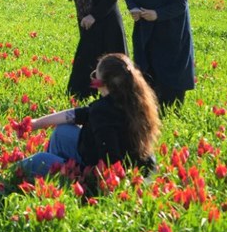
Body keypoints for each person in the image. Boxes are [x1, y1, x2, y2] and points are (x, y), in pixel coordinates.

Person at [15, 53, 160, 179]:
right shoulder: (133, 102)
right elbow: (76, 115)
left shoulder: (102, 112)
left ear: (102, 84)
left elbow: (110, 161)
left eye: (94, 76)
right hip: (126, 165)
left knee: (38, 160)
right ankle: (55, 178)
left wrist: (76, 171)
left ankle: (58, 179)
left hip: (99, 175)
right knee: (62, 132)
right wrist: (36, 123)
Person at [124, 0, 196, 108]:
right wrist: (133, 8)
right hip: (144, 28)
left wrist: (158, 14)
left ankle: (171, 107)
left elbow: (181, 4)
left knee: (169, 72)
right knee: (146, 69)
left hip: (170, 29)